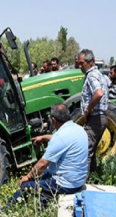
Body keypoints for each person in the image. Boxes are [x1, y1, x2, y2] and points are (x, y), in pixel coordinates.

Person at [7, 103, 88, 206]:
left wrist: (28, 177)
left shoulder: (60, 137)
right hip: (78, 180)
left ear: (53, 120)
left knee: (27, 185)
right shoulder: (78, 129)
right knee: (43, 175)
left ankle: (5, 210)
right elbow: (63, 140)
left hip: (65, 185)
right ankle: (43, 203)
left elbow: (43, 163)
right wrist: (43, 137)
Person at [77, 49, 109, 177]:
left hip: (95, 118)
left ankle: (83, 184)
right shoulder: (100, 74)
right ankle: (94, 176)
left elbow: (99, 93)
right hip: (99, 118)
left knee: (86, 152)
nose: (80, 67)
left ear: (90, 62)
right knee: (92, 151)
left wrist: (88, 108)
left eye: (81, 63)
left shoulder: (91, 76)